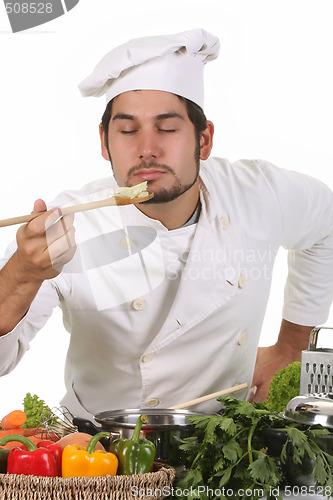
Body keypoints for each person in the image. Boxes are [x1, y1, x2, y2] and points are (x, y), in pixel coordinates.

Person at [0, 29, 332, 419]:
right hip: (99, 456)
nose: (147, 149)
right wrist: (22, 274)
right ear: (104, 142)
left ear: (203, 141)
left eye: (168, 128)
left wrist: (290, 349)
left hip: (228, 446)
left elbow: (326, 223)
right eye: (127, 131)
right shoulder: (67, 224)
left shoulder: (260, 193)